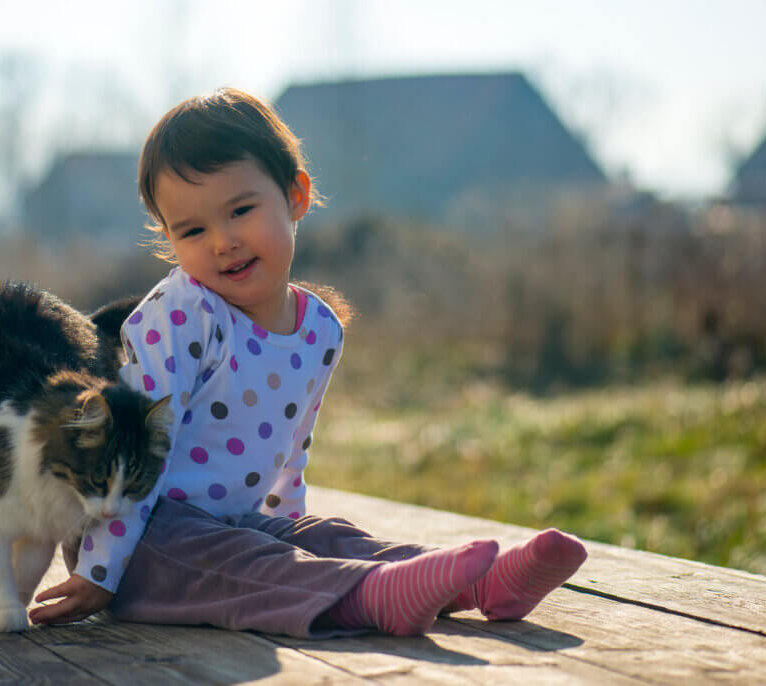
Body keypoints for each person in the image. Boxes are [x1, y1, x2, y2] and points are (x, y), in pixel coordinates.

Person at [29, 88, 587, 638]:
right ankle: (368, 597)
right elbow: (131, 449)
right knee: (246, 557)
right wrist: (99, 571)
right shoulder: (180, 315)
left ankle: (480, 581)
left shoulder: (317, 327)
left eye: (241, 210)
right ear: (169, 241)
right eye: (193, 230)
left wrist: (289, 529)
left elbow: (293, 445)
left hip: (234, 526)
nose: (223, 241)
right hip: (141, 538)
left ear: (296, 195)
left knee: (326, 538)